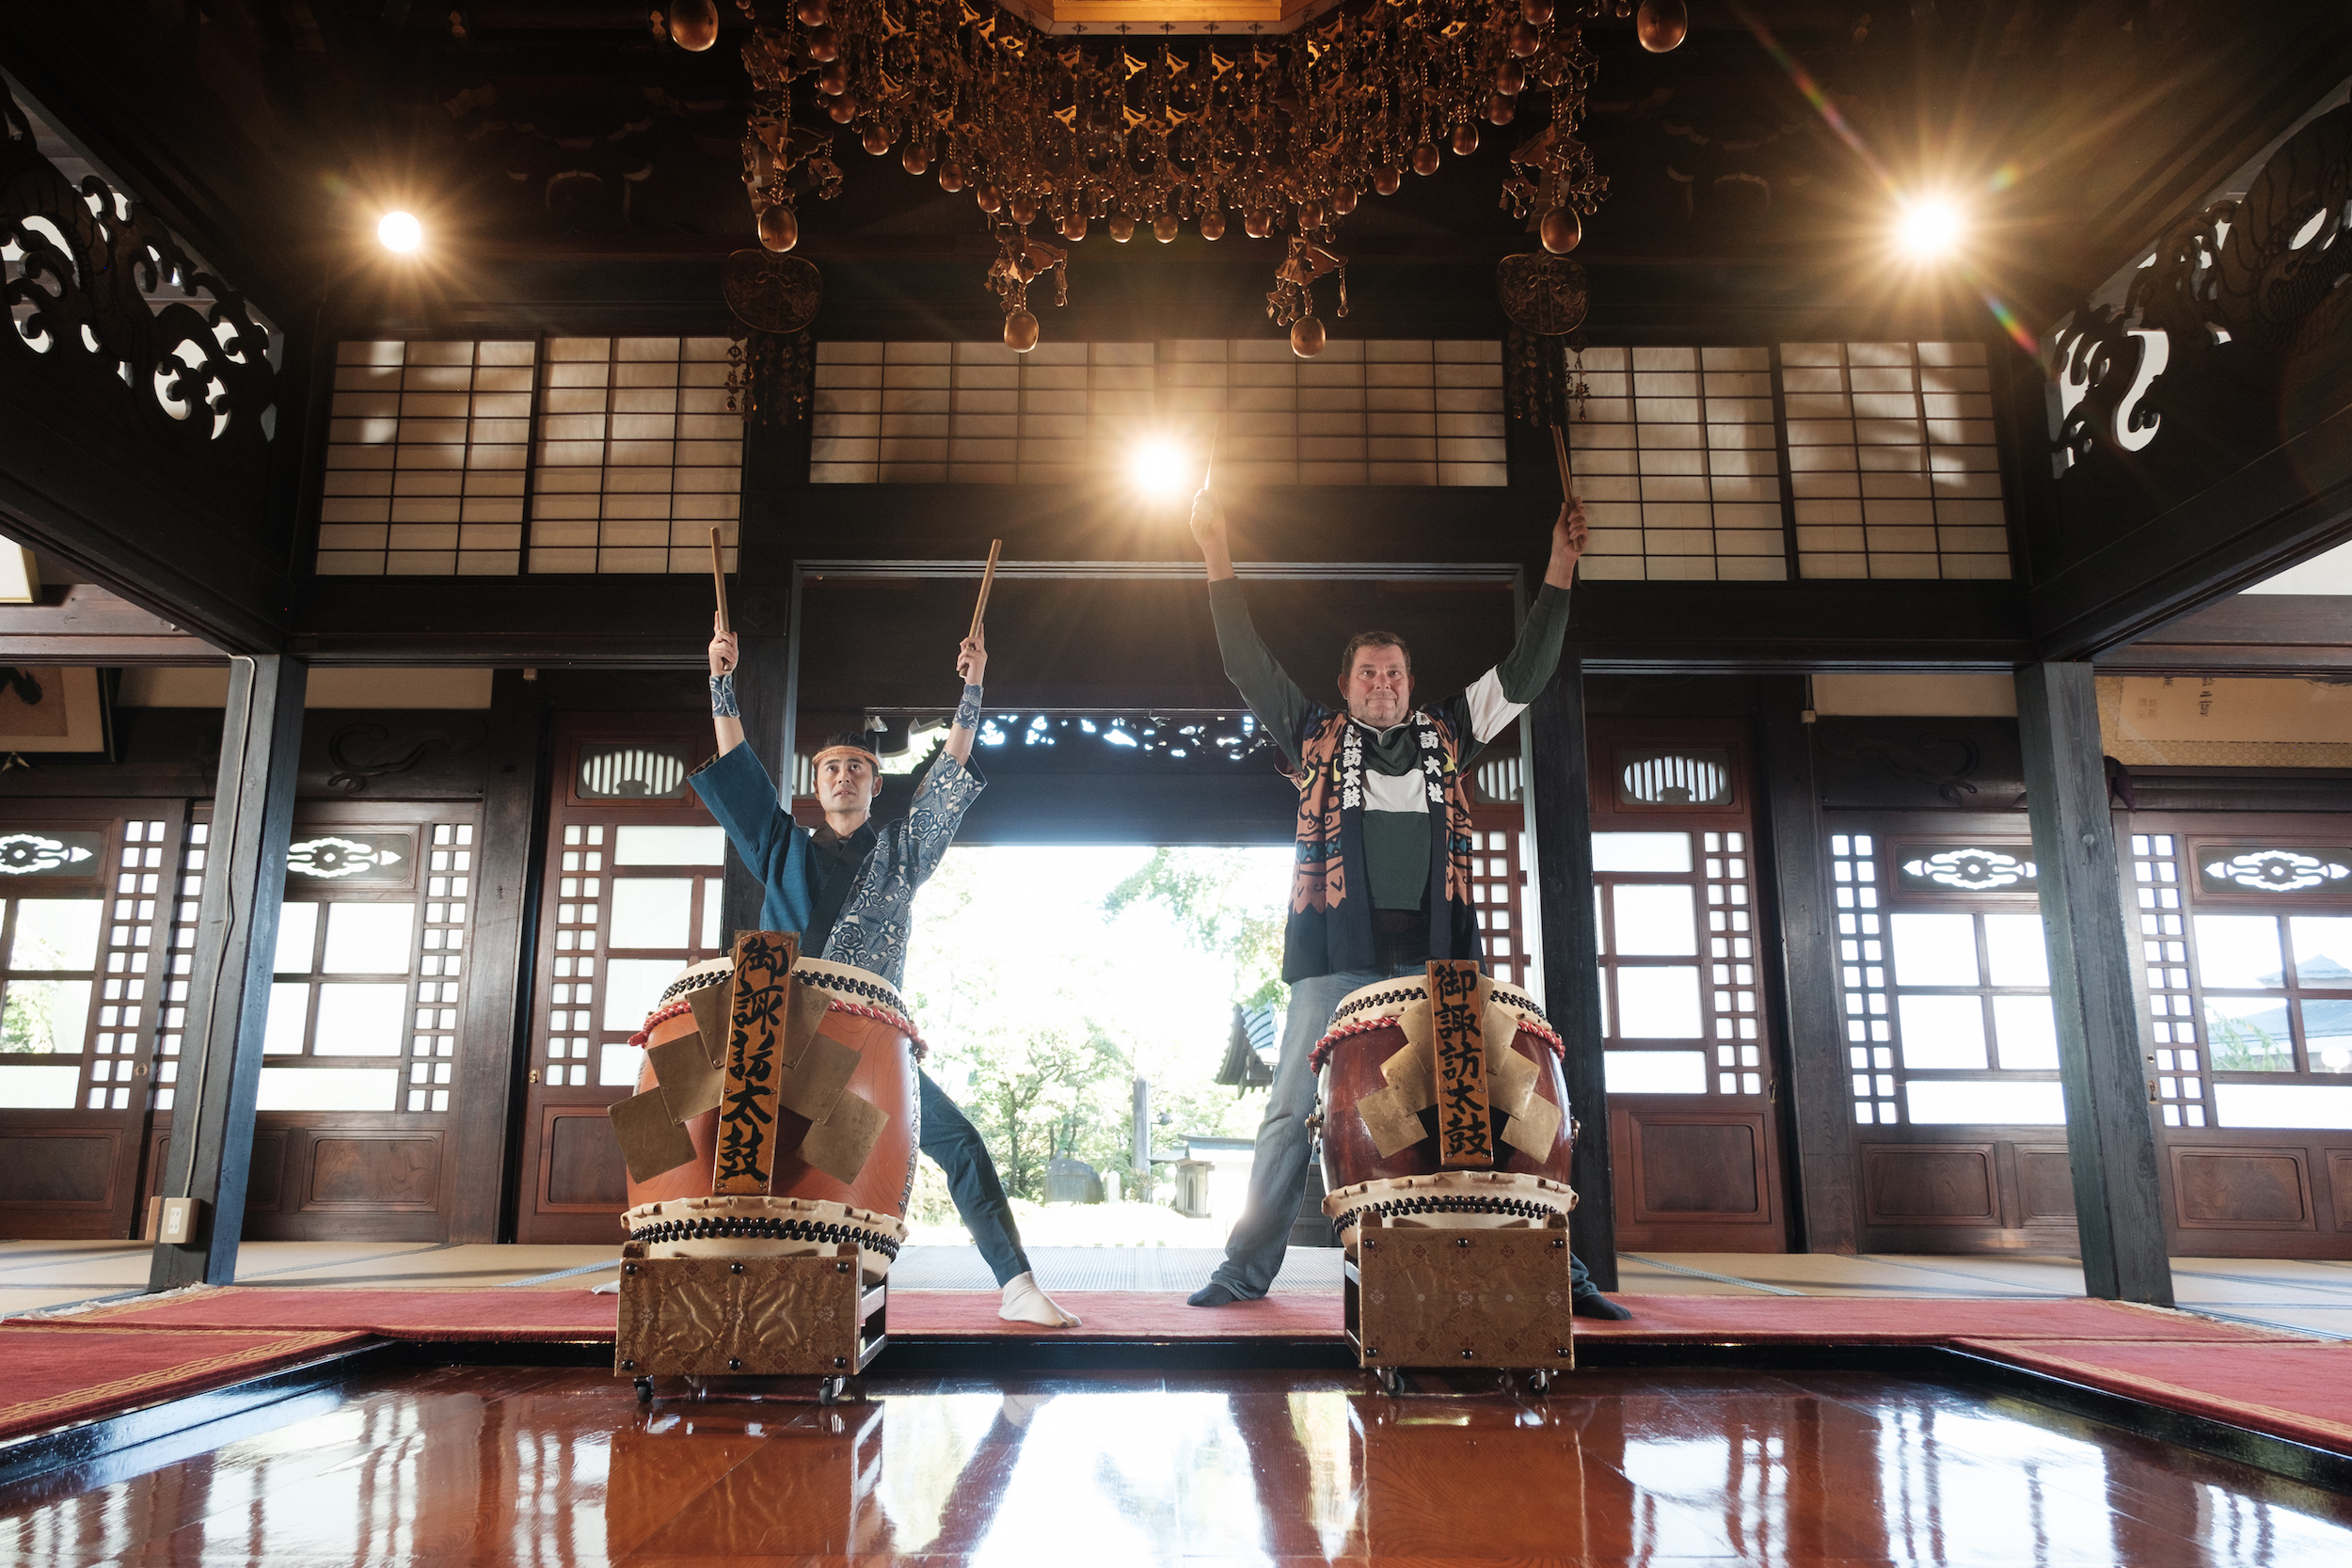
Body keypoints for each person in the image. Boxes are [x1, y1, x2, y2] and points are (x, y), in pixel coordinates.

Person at [1184, 487, 1630, 1321]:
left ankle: (1554, 1268)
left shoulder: (1448, 734)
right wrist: (1216, 553)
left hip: (1438, 954)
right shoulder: (1314, 735)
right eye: (1368, 673)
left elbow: (1528, 669)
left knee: (1501, 1092)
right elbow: (1246, 662)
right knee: (1290, 1103)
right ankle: (1246, 1269)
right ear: (1345, 685)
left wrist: (1561, 563)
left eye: (1393, 673)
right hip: (1334, 954)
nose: (1382, 684)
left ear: (1410, 684)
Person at [691, 618, 1080, 1328]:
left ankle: (1016, 1282)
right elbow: (739, 769)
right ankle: (654, 1251)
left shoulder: (901, 854)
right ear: (815, 785)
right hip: (772, 1040)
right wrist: (722, 680)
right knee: (670, 1097)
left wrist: (973, 690)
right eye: (831, 767)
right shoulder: (780, 847)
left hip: (863, 1054)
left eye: (858, 768)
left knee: (952, 1142)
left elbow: (946, 781)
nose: (844, 776)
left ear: (875, 786)